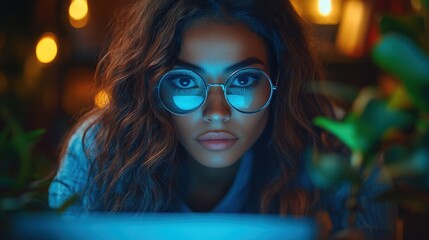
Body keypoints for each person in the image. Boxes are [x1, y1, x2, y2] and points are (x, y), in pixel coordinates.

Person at [49, 0, 396, 239]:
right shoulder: (99, 150)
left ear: (281, 80)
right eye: (185, 81)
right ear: (151, 86)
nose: (216, 112)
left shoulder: (341, 148)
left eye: (243, 80)